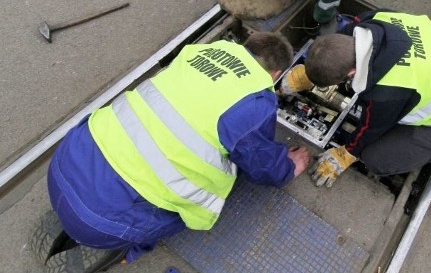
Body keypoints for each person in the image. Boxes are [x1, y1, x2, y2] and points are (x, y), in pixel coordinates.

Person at [45, 33, 311, 269]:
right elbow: (261, 165)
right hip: (99, 225)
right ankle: (130, 247)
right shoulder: (255, 102)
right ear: (276, 74)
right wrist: (289, 167)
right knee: (192, 208)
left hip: (63, 164)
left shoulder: (197, 53)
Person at [297, 11, 431, 187]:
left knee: (376, 158)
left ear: (352, 72)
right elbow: (347, 30)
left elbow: (370, 128)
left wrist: (347, 153)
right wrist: (311, 72)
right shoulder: (373, 20)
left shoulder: (387, 91)